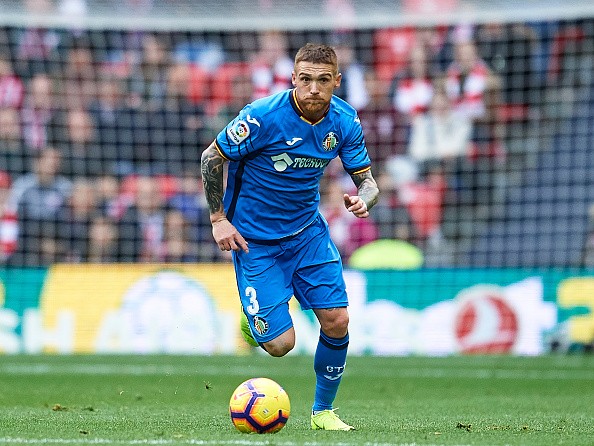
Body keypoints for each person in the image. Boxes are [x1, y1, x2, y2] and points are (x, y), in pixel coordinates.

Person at [200, 43, 379, 431]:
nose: (314, 88)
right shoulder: (263, 117)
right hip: (255, 242)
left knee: (337, 320)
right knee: (281, 346)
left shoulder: (345, 121)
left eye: (323, 80)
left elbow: (368, 182)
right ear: (294, 78)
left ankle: (323, 412)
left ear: (337, 81)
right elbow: (212, 157)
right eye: (306, 79)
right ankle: (253, 321)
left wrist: (364, 200)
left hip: (307, 235)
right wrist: (218, 219)